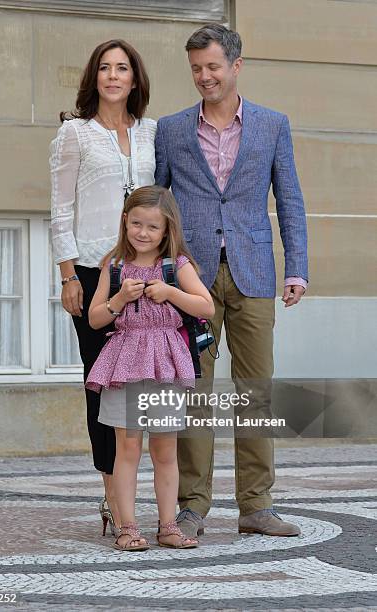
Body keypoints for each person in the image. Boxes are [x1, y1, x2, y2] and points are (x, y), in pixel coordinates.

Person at [155, 24, 308, 538]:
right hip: (190, 280)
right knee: (195, 391)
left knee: (255, 392)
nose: (204, 77)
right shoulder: (172, 130)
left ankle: (256, 506)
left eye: (213, 67)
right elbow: (157, 207)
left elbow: (290, 200)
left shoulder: (272, 125)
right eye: (196, 68)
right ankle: (192, 506)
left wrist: (296, 268)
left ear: (236, 66)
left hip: (254, 274)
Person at [50, 39, 156, 536]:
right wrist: (68, 274)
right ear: (94, 77)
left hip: (142, 272)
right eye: (105, 68)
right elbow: (61, 211)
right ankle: (113, 499)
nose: (114, 76)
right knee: (101, 384)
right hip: (93, 272)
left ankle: (135, 497)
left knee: (136, 386)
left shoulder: (152, 132)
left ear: (135, 78)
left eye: (123, 68)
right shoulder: (74, 134)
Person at [85, 185, 214, 551]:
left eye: (152, 227)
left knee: (165, 450)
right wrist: (120, 298)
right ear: (125, 221)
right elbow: (95, 319)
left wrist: (170, 293)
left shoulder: (177, 266)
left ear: (167, 230)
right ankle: (127, 526)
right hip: (124, 364)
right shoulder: (113, 265)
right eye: (136, 223)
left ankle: (168, 525)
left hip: (167, 366)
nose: (142, 232)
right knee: (127, 447)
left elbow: (206, 308)